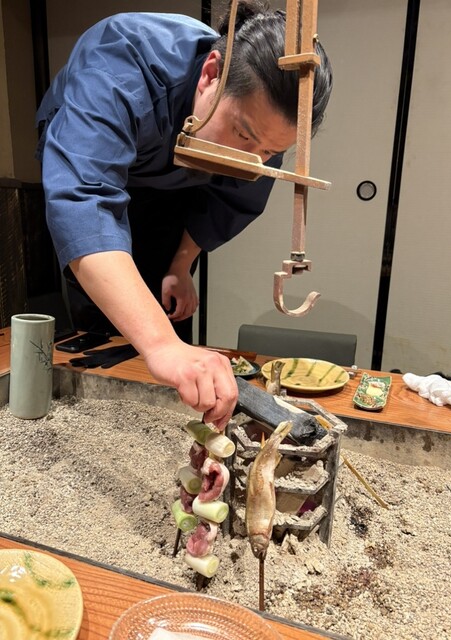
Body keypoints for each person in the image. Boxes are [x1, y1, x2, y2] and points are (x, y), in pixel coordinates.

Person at [35, 1, 333, 430]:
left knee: (169, 310)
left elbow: (232, 200)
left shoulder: (262, 131)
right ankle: (103, 422)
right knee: (109, 323)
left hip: (177, 185)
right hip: (91, 164)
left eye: (269, 151)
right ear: (210, 75)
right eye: (243, 134)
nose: (254, 156)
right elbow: (83, 198)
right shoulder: (121, 63)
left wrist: (181, 264)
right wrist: (160, 344)